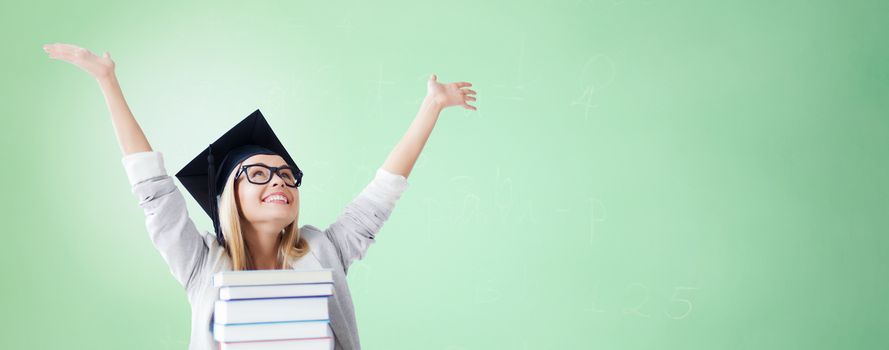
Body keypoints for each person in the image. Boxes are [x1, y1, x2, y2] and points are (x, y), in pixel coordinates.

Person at [42, 43, 478, 350]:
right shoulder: (202, 264)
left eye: (287, 175)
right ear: (229, 193)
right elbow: (154, 191)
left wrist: (431, 107)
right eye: (260, 173)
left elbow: (380, 195)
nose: (280, 182)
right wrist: (107, 81)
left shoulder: (324, 252)